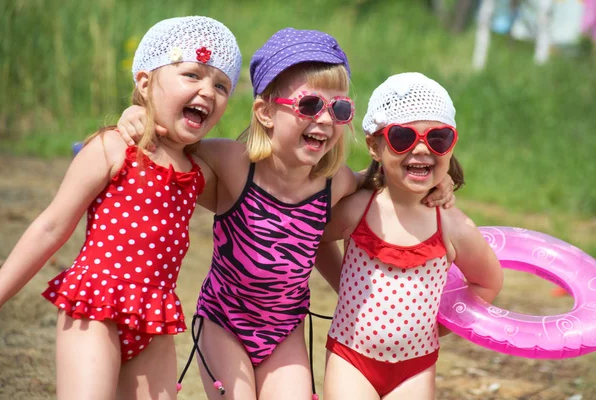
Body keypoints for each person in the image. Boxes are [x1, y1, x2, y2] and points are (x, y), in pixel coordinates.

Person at [116, 28, 456, 400]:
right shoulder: (234, 164)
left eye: (339, 109)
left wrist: (438, 183)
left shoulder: (335, 183)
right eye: (310, 106)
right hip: (223, 322)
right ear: (265, 112)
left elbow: (383, 181)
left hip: (284, 330)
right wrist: (140, 113)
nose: (325, 120)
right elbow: (173, 143)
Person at [0, 16, 242, 400]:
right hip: (96, 306)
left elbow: (259, 172)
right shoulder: (114, 148)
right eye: (192, 75)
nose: (208, 91)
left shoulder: (199, 171)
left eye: (221, 85)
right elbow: (51, 226)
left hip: (155, 318)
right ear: (144, 83)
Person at [318, 72, 504, 400]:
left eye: (438, 138)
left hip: (415, 368)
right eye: (403, 137)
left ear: (451, 145)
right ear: (375, 145)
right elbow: (312, 237)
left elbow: (488, 281)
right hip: (351, 357)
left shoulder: (452, 225)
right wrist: (342, 284)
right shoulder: (359, 209)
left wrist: (444, 324)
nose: (421, 149)